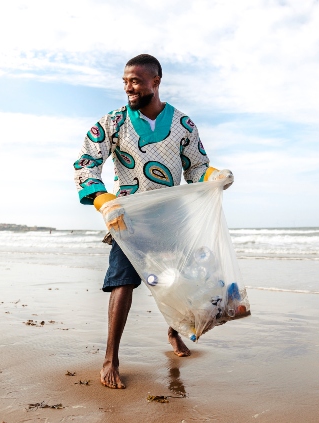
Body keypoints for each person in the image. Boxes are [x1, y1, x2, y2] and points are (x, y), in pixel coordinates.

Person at [73, 54, 233, 389]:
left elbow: (195, 168)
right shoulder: (113, 122)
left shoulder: (183, 125)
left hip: (171, 219)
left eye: (135, 81)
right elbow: (86, 163)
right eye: (125, 81)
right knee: (122, 284)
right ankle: (110, 359)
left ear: (155, 82)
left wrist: (215, 174)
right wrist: (104, 202)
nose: (128, 87)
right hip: (126, 219)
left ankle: (174, 333)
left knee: (175, 282)